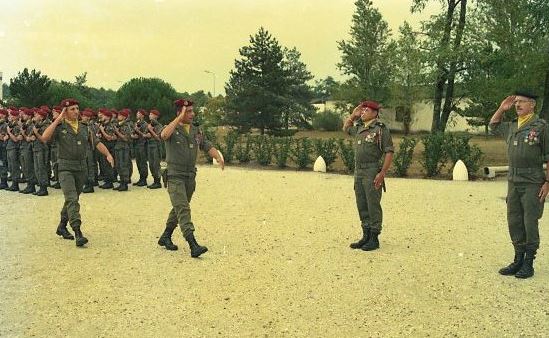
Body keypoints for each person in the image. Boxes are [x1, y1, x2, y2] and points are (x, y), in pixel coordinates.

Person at [489, 91, 549, 279]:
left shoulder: (541, 127)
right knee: (514, 220)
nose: (517, 105)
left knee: (529, 221)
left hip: (533, 182)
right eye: (516, 102)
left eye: (521, 102)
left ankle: (529, 262)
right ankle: (518, 259)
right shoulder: (512, 126)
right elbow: (493, 126)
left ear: (532, 105)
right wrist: (501, 108)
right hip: (513, 181)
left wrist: (547, 182)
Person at [41, 98, 114, 246]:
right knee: (72, 199)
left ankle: (62, 226)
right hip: (65, 168)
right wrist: (57, 120)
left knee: (71, 199)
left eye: (77, 108)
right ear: (65, 112)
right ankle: (78, 232)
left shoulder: (85, 127)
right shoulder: (60, 127)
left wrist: (108, 154)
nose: (76, 111)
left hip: (81, 168)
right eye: (72, 109)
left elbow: (97, 142)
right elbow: (44, 137)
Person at [158, 99, 224, 258]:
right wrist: (178, 119)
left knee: (179, 207)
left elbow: (207, 145)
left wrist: (219, 157)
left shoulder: (196, 131)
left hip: (189, 177)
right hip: (174, 175)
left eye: (192, 111)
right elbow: (163, 135)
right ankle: (192, 243)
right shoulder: (172, 128)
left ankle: (166, 236)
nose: (192, 114)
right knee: (183, 208)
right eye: (188, 111)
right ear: (179, 113)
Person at [342, 100, 394, 251]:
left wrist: (382, 173)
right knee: (362, 203)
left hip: (372, 170)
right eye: (362, 110)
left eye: (366, 110)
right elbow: (346, 128)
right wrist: (353, 115)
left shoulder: (380, 129)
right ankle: (365, 235)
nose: (363, 112)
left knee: (372, 204)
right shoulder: (359, 128)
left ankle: (374, 238)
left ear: (375, 113)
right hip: (359, 171)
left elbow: (389, 151)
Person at [31, 108, 51, 196]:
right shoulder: (38, 124)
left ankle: (44, 188)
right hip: (36, 148)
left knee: (41, 168)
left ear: (42, 117)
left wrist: (36, 133)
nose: (35, 116)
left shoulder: (45, 125)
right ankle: (40, 186)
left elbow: (44, 139)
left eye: (37, 115)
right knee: (37, 168)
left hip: (42, 149)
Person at [6, 108, 22, 192]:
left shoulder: (16, 127)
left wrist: (9, 133)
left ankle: (15, 184)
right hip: (9, 147)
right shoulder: (11, 125)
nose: (10, 117)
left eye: (12, 115)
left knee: (14, 166)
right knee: (11, 166)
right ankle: (13, 183)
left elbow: (15, 139)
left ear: (16, 117)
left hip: (14, 148)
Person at [146, 109, 163, 189]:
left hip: (156, 146)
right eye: (150, 114)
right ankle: (155, 180)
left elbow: (158, 138)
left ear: (156, 116)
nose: (150, 115)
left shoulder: (159, 126)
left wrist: (150, 130)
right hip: (150, 146)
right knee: (151, 165)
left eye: (151, 114)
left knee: (156, 164)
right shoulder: (150, 125)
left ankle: (158, 182)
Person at [132, 109, 149, 186]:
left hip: (142, 145)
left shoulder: (145, 124)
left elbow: (145, 135)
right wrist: (133, 135)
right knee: (138, 162)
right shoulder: (136, 123)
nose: (137, 114)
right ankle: (141, 178)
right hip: (136, 144)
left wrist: (137, 131)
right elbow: (133, 134)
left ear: (142, 115)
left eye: (138, 113)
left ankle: (144, 179)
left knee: (142, 162)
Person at [0, 109, 9, 189]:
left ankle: (4, 181)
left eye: (1, 114)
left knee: (3, 164)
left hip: (3, 146)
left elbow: (3, 137)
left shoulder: (5, 125)